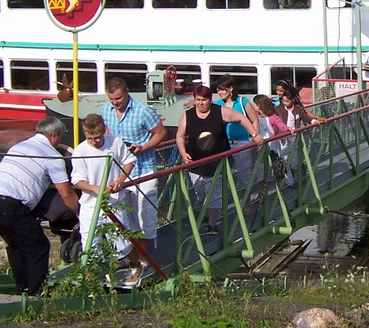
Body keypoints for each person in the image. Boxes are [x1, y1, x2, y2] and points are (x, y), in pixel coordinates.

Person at [0, 117, 79, 295]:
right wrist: (79, 214)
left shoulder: (19, 146)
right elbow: (66, 193)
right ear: (54, 135)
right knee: (38, 246)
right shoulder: (53, 156)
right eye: (61, 136)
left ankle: (22, 287)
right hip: (9, 205)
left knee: (16, 244)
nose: (61, 141)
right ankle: (35, 292)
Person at [176, 84, 263, 230]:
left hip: (218, 161)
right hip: (196, 162)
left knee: (214, 194)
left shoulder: (220, 111)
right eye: (198, 100)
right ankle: (206, 214)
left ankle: (212, 224)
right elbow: (180, 135)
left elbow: (242, 119)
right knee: (200, 192)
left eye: (204, 100)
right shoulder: (187, 116)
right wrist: (183, 152)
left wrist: (254, 135)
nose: (201, 103)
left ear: (210, 100)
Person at [101, 77, 166, 259]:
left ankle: (143, 259)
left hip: (143, 169)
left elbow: (161, 132)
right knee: (125, 217)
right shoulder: (106, 110)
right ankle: (131, 258)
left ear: (126, 92)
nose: (115, 103)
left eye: (118, 98)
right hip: (119, 172)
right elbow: (108, 133)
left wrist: (143, 147)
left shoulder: (143, 111)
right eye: (112, 99)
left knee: (145, 217)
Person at [70, 113, 137, 279]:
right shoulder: (80, 151)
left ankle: (135, 267)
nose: (94, 142)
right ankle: (91, 278)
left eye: (97, 138)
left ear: (104, 131)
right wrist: (94, 188)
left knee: (122, 239)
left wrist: (120, 180)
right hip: (90, 204)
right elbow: (77, 180)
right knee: (90, 242)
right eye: (90, 138)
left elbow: (129, 161)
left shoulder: (115, 142)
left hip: (114, 201)